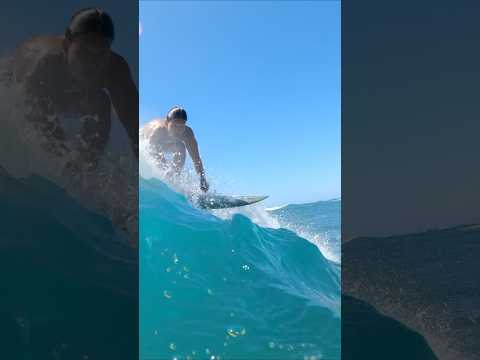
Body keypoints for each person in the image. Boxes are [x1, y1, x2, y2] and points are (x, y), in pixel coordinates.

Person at [10, 7, 138, 170]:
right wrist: (63, 160)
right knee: (59, 157)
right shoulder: (42, 63)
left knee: (100, 103)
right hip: (16, 84)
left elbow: (135, 132)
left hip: (66, 96)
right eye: (84, 53)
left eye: (100, 55)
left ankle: (87, 169)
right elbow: (34, 116)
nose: (92, 63)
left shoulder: (115, 69)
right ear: (66, 45)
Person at [143, 106, 209, 192]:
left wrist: (202, 178)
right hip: (148, 141)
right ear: (167, 123)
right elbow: (150, 151)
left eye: (181, 126)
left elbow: (196, 158)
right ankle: (167, 179)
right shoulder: (157, 131)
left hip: (169, 145)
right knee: (163, 166)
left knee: (181, 147)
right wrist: (164, 167)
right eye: (175, 125)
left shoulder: (187, 134)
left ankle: (174, 179)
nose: (178, 130)